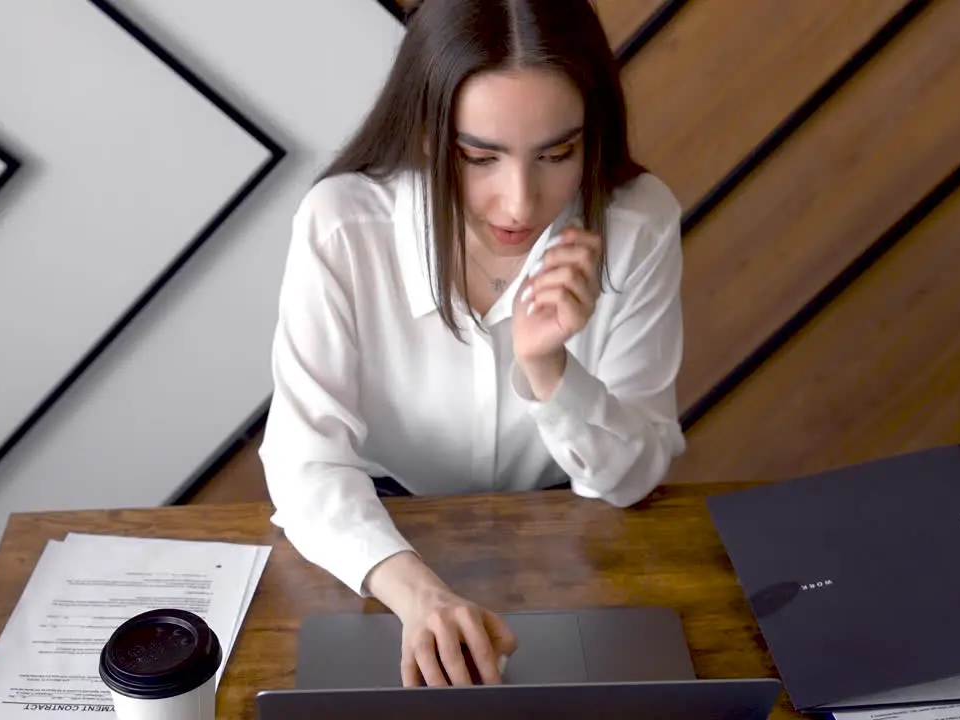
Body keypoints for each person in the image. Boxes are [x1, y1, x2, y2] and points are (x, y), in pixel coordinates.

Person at [259, 0, 686, 690]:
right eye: (478, 157)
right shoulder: (342, 227)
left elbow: (633, 477)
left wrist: (550, 369)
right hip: (375, 542)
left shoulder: (637, 223)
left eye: (557, 154)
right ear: (426, 134)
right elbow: (305, 465)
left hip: (575, 537)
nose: (519, 203)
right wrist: (417, 595)